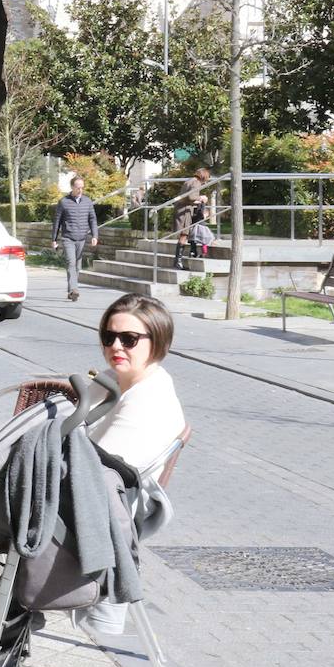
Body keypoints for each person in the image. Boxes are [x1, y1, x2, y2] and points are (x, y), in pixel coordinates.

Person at [87, 294, 186, 476]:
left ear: (158, 340)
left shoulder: (150, 400)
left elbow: (96, 468)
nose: (116, 346)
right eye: (109, 337)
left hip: (109, 498)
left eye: (129, 339)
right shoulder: (110, 378)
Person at [52, 176, 100, 302]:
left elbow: (92, 219)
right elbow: (57, 222)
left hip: (82, 238)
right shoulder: (63, 202)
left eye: (82, 187)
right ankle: (74, 289)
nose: (80, 190)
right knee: (71, 263)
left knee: (78, 266)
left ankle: (71, 291)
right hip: (68, 238)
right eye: (78, 187)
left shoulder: (87, 201)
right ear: (72, 187)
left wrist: (95, 236)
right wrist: (54, 239)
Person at [171, 166, 210, 272]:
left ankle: (177, 261)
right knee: (184, 235)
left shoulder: (189, 181)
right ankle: (178, 262)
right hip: (184, 211)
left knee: (184, 235)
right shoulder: (196, 182)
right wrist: (201, 198)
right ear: (203, 176)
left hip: (181, 209)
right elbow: (191, 197)